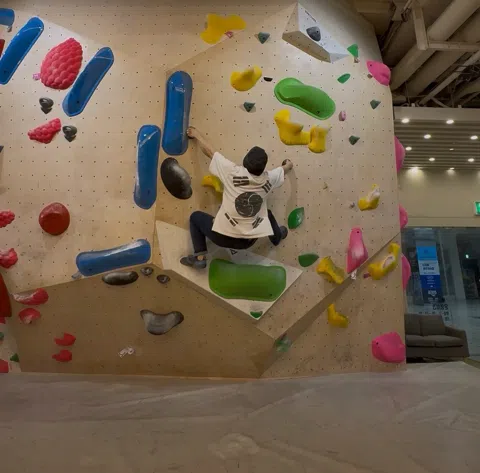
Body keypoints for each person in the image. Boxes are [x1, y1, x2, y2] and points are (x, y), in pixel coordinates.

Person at [181, 126, 294, 269]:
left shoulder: (232, 172)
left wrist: (196, 134)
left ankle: (200, 257)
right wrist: (288, 164)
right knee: (267, 214)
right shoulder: (269, 178)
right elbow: (284, 169)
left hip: (220, 236)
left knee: (195, 217)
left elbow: (210, 152)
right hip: (248, 241)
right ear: (263, 169)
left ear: (245, 161)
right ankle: (276, 237)